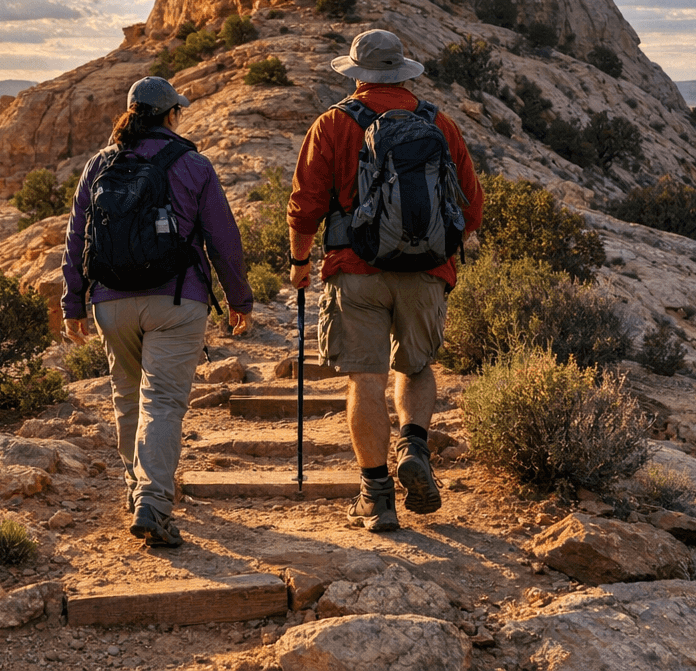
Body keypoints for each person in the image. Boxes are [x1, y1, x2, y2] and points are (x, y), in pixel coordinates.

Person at [286, 30, 483, 532]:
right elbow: (472, 207)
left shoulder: (332, 124)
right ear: (403, 71)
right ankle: (413, 445)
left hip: (355, 271)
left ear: (355, 74)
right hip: (426, 272)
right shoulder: (438, 123)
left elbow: (305, 205)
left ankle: (375, 496)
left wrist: (300, 261)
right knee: (415, 368)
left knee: (365, 379)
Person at [63, 76, 253, 547]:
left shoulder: (99, 165)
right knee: (163, 402)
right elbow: (223, 239)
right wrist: (239, 299)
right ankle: (153, 500)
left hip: (111, 301)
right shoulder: (193, 164)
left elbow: (76, 240)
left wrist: (73, 303)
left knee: (128, 398)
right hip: (177, 299)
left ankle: (136, 490)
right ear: (172, 115)